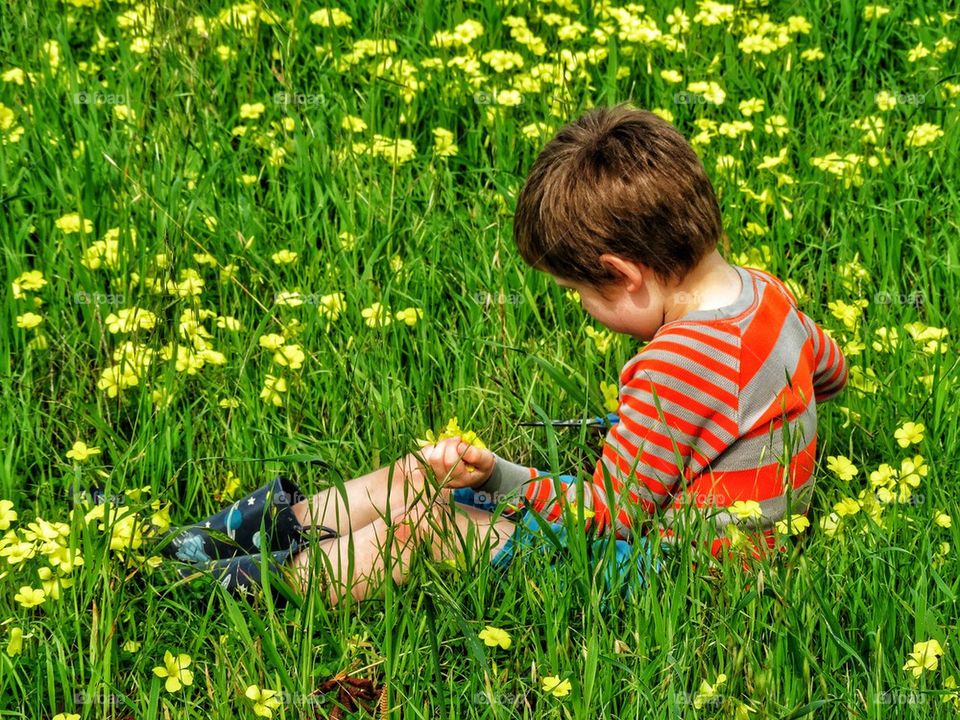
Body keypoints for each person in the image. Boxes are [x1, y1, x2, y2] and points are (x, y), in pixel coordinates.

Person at [150, 102, 848, 606]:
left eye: (581, 291)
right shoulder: (764, 295)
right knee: (431, 476)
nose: (581, 307)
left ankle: (245, 583)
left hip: (692, 579)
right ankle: (235, 541)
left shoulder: (679, 364)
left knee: (435, 527)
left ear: (625, 275)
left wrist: (501, 479)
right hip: (727, 552)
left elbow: (605, 518)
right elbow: (829, 368)